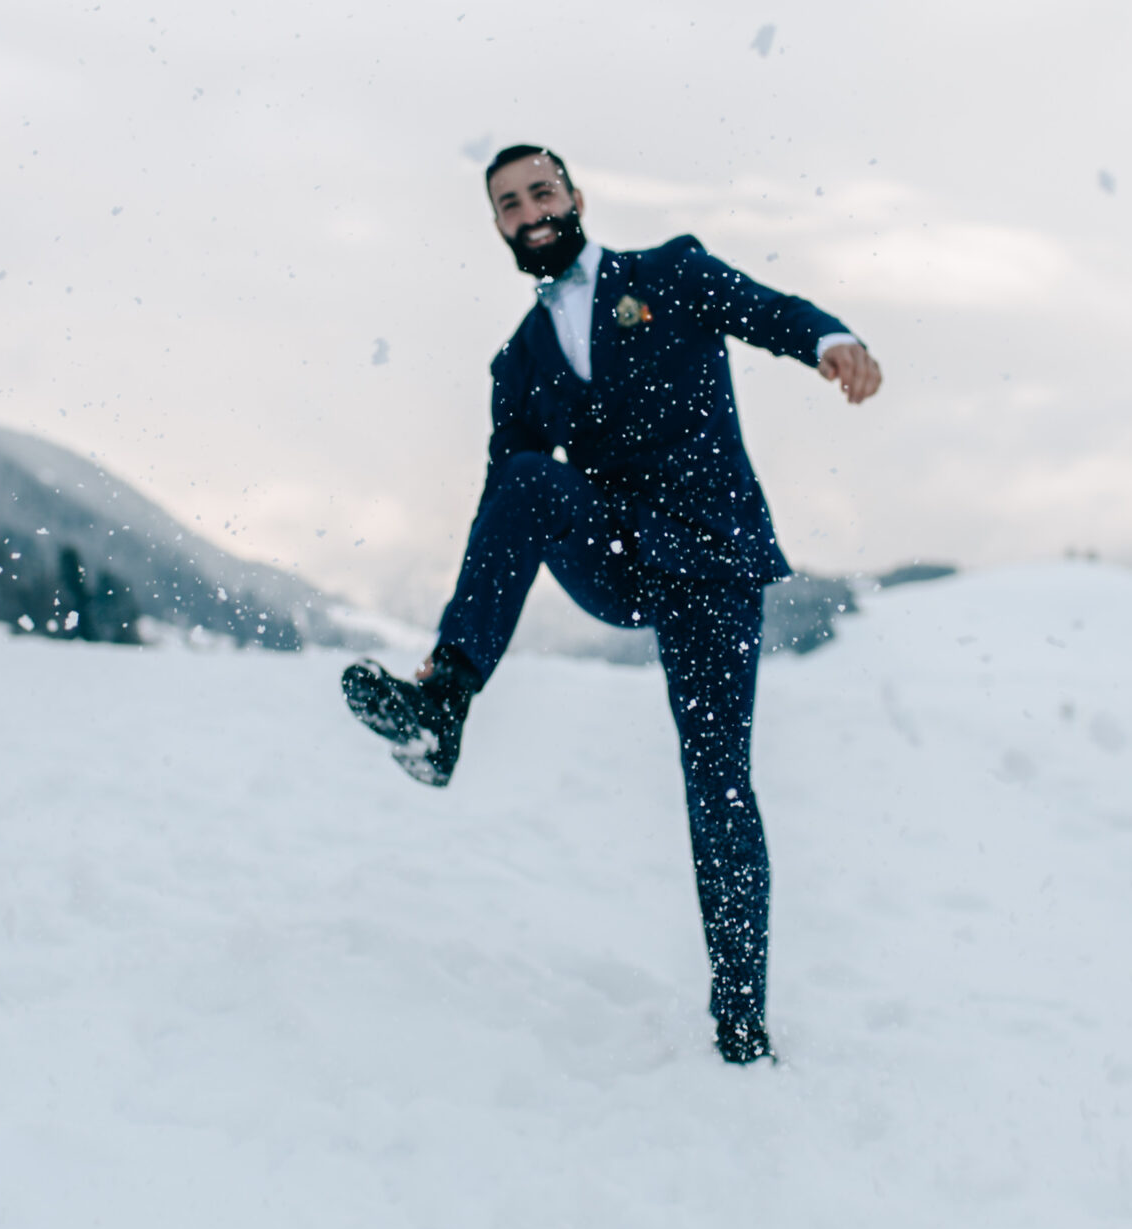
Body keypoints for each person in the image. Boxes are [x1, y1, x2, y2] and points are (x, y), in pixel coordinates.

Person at [341, 145, 882, 1065]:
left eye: (542, 191)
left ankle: (741, 1019)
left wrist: (829, 340)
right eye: (509, 203)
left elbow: (768, 311)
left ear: (577, 198)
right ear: (499, 226)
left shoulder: (670, 273)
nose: (530, 210)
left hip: (711, 564)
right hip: (622, 558)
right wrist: (456, 634)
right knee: (521, 480)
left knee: (717, 784)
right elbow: (502, 510)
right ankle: (443, 708)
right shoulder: (518, 361)